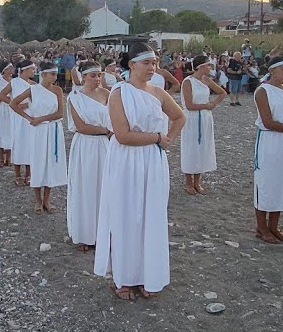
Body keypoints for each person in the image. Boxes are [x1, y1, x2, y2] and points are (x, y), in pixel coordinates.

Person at [94, 43, 185, 300]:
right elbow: (122, 135)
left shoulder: (157, 92)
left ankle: (147, 276)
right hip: (126, 161)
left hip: (153, 161)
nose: (152, 68)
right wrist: (158, 137)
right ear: (132, 65)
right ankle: (123, 279)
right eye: (146, 63)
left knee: (150, 216)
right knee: (126, 216)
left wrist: (167, 140)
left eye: (154, 63)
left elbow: (179, 117)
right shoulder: (119, 94)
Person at [253, 57, 283, 244]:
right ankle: (261, 226)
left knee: (282, 181)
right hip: (270, 140)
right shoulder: (263, 91)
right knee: (266, 181)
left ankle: (274, 225)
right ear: (272, 70)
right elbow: (268, 121)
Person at [67, 62, 111, 251]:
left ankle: (105, 233)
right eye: (93, 75)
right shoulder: (75, 97)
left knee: (104, 187)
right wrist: (106, 130)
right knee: (85, 188)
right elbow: (81, 125)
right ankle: (85, 234)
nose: (97, 79)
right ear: (84, 77)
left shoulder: (107, 94)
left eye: (99, 75)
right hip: (85, 145)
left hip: (104, 145)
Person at [13, 62, 68, 213]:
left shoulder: (57, 90)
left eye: (56, 74)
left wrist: (40, 118)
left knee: (50, 164)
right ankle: (37, 200)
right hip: (39, 131)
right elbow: (14, 103)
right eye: (52, 74)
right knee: (38, 163)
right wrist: (29, 118)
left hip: (53, 129)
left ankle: (47, 200)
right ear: (43, 75)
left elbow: (60, 114)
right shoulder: (33, 90)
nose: (55, 77)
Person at [180, 55, 226, 195]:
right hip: (192, 118)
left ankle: (197, 182)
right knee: (191, 148)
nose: (210, 68)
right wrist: (206, 105)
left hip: (205, 117)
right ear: (200, 67)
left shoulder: (206, 80)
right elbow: (189, 105)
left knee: (202, 148)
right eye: (208, 65)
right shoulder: (188, 82)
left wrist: (214, 104)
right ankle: (188, 181)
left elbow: (222, 93)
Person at [9, 61, 36, 186]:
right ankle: (17, 174)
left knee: (29, 143)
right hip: (19, 116)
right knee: (19, 142)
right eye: (32, 69)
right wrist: (14, 104)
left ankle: (28, 174)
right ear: (24, 70)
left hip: (30, 116)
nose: (34, 72)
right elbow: (3, 95)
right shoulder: (14, 82)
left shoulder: (34, 84)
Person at [0, 62, 15, 168]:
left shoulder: (13, 81)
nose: (12, 69)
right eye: (9, 68)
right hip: (1, 108)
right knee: (1, 131)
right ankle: (1, 158)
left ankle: (8, 158)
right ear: (4, 70)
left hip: (10, 107)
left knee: (10, 131)